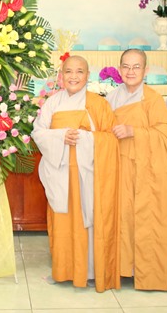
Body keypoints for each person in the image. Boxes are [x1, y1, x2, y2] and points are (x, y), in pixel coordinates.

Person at [31, 55, 120, 292]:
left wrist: (85, 137)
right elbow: (38, 132)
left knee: (87, 219)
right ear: (61, 76)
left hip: (88, 173)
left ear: (88, 75)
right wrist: (61, 136)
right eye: (68, 72)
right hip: (59, 172)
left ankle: (89, 272)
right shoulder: (52, 103)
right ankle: (62, 271)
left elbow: (111, 139)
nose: (73, 77)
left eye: (79, 72)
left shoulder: (99, 104)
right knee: (61, 222)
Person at [106, 48, 167, 291]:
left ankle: (146, 271)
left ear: (146, 70)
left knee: (145, 217)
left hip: (145, 168)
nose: (131, 71)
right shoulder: (111, 98)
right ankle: (122, 267)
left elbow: (166, 132)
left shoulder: (152, 99)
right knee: (121, 216)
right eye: (126, 66)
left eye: (136, 67)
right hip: (118, 167)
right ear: (119, 69)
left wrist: (134, 131)